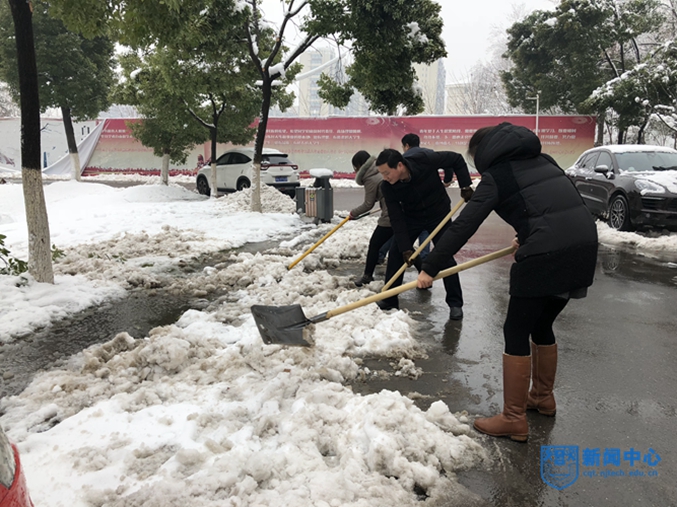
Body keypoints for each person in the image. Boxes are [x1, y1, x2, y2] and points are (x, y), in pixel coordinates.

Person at [416, 122, 598, 442]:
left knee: (515, 330)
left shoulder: (498, 175)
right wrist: (527, 232)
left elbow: (464, 226)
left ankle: (513, 418)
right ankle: (542, 397)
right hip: (583, 247)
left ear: (484, 153)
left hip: (546, 253)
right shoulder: (546, 161)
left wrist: (430, 266)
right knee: (541, 325)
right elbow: (553, 205)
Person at [376, 147, 474, 318]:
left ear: (399, 165)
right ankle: (390, 299)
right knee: (396, 253)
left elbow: (456, 158)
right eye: (382, 174)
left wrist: (465, 184)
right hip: (411, 217)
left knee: (445, 255)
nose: (385, 178)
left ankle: (455, 303)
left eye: (386, 173)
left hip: (438, 213)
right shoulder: (388, 187)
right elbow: (396, 218)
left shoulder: (423, 159)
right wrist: (406, 247)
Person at [349, 150, 393, 287]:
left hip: (390, 216)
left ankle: (367, 276)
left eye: (355, 167)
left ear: (359, 165)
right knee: (404, 246)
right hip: (399, 212)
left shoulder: (369, 177)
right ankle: (425, 273)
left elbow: (368, 204)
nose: (355, 170)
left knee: (374, 244)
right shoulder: (379, 169)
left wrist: (353, 213)